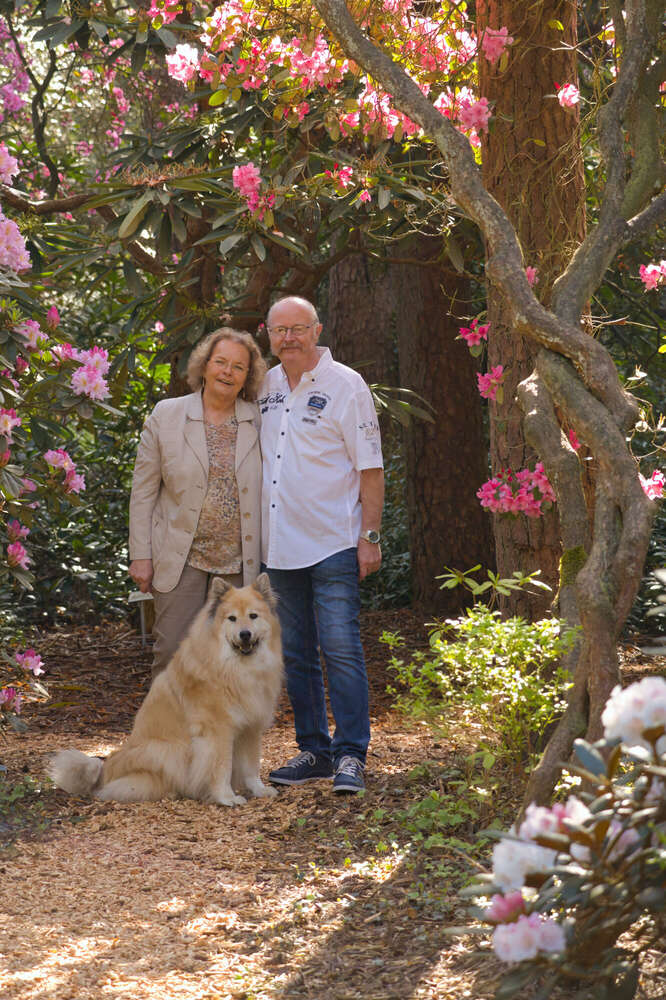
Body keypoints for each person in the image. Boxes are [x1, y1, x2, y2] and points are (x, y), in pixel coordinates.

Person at [259, 296, 384, 794]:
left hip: (334, 540)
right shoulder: (265, 387)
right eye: (279, 330)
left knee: (340, 648)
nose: (288, 338)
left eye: (298, 329)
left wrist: (370, 537)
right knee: (296, 653)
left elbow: (370, 468)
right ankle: (314, 749)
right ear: (268, 334)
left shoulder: (346, 385)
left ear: (317, 330)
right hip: (280, 546)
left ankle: (352, 754)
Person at [128, 327, 266, 677]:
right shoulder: (166, 415)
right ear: (204, 366)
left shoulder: (260, 420)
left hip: (238, 561)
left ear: (248, 377)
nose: (227, 372)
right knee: (173, 655)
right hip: (180, 556)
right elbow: (143, 492)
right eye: (220, 362)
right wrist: (140, 556)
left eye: (238, 367)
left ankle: (221, 734)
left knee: (235, 662)